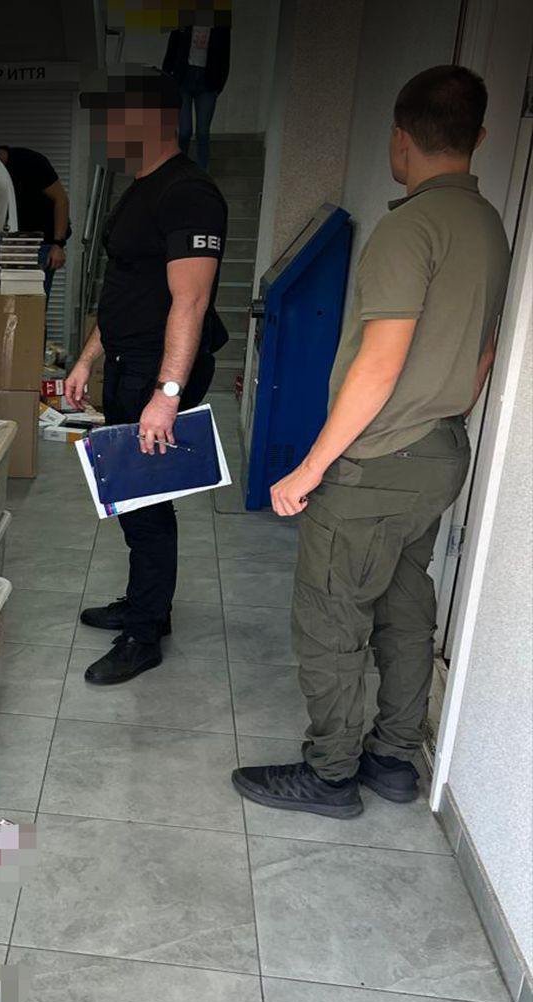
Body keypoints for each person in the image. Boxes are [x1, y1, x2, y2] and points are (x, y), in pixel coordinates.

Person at [231, 65, 511, 819]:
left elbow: (380, 362)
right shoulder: (489, 225)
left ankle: (330, 775)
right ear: (480, 136)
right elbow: (484, 350)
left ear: (399, 138)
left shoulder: (410, 227)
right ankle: (392, 761)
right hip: (440, 451)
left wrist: (311, 467)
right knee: (405, 606)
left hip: (379, 461)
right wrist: (441, 411)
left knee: (331, 616)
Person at [65, 68, 227, 685]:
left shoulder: (189, 193)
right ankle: (144, 605)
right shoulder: (139, 188)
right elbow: (126, 289)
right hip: (127, 365)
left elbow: (191, 300)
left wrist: (167, 394)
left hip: (157, 375)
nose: (105, 129)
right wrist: (87, 358)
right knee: (133, 500)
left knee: (147, 501)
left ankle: (144, 634)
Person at [0, 142, 71, 298]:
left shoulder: (30, 161)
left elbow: (61, 200)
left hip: (40, 244)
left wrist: (58, 245)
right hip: (9, 242)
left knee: (33, 302)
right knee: (5, 300)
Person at [162, 22, 230, 171]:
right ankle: (179, 170)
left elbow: (225, 56)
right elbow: (171, 50)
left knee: (202, 132)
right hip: (183, 78)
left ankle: (201, 174)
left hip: (208, 81)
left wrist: (218, 85)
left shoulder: (221, 27)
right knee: (184, 131)